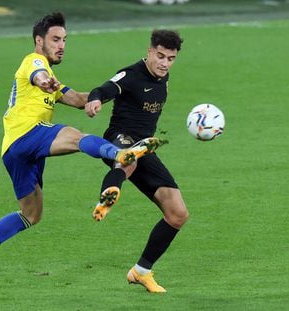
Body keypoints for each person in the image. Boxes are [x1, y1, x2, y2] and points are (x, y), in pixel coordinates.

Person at [0, 12, 161, 287]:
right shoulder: (34, 62)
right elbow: (39, 75)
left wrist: (106, 93)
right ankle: (119, 154)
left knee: (32, 214)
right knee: (75, 136)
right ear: (39, 40)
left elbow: (77, 98)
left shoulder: (52, 80)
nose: (62, 45)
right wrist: (44, 80)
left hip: (12, 151)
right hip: (27, 133)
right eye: (55, 39)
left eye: (65, 40)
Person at [85, 29, 188, 293]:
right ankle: (107, 197)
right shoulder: (131, 74)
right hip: (119, 139)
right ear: (150, 51)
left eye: (171, 58)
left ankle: (141, 272)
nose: (165, 63)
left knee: (178, 214)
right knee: (127, 159)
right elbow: (105, 87)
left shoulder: (163, 76)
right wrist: (96, 99)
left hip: (146, 149)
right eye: (160, 56)